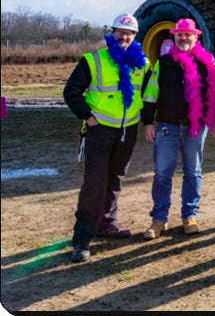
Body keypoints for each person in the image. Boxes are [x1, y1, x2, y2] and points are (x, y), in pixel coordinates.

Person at [63, 13, 150, 263]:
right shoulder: (93, 60)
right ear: (112, 33)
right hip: (99, 129)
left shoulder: (142, 63)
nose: (124, 36)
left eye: (129, 33)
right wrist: (87, 116)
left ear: (135, 37)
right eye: (120, 32)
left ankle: (107, 224)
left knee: (115, 180)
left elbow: (149, 94)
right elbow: (71, 91)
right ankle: (82, 239)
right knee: (94, 183)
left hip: (127, 129)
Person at [140, 18, 215, 239]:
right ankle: (159, 219)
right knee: (161, 174)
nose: (184, 38)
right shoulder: (163, 62)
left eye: (188, 34)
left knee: (193, 172)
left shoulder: (208, 62)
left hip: (196, 128)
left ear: (196, 37)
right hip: (167, 126)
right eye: (180, 34)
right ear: (174, 37)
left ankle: (190, 216)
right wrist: (148, 122)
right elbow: (150, 93)